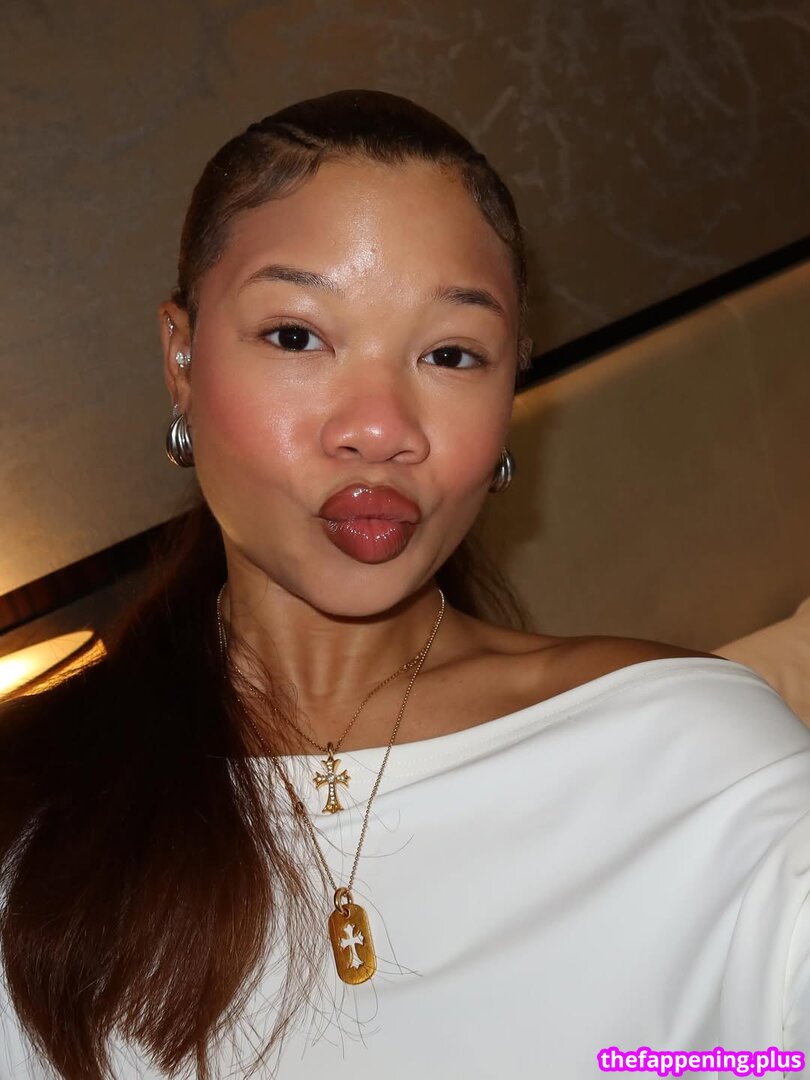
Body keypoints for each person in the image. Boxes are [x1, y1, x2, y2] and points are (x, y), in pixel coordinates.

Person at [1, 88, 809, 1080]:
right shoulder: (30, 815)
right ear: (181, 357)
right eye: (297, 337)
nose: (381, 428)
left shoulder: (699, 772)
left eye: (451, 354)